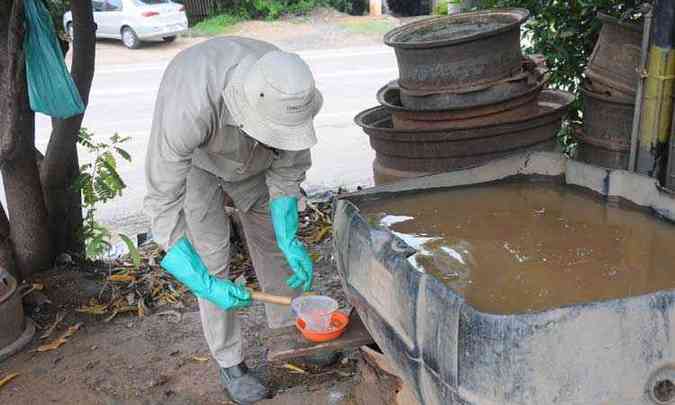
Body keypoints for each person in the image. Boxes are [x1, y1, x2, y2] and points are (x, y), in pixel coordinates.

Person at [144, 37, 322, 404]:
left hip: (257, 163)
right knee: (211, 258)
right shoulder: (189, 107)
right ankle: (230, 363)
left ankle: (292, 331)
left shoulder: (290, 97)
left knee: (274, 244)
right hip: (199, 165)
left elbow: (287, 174)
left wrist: (290, 238)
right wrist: (202, 282)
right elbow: (162, 204)